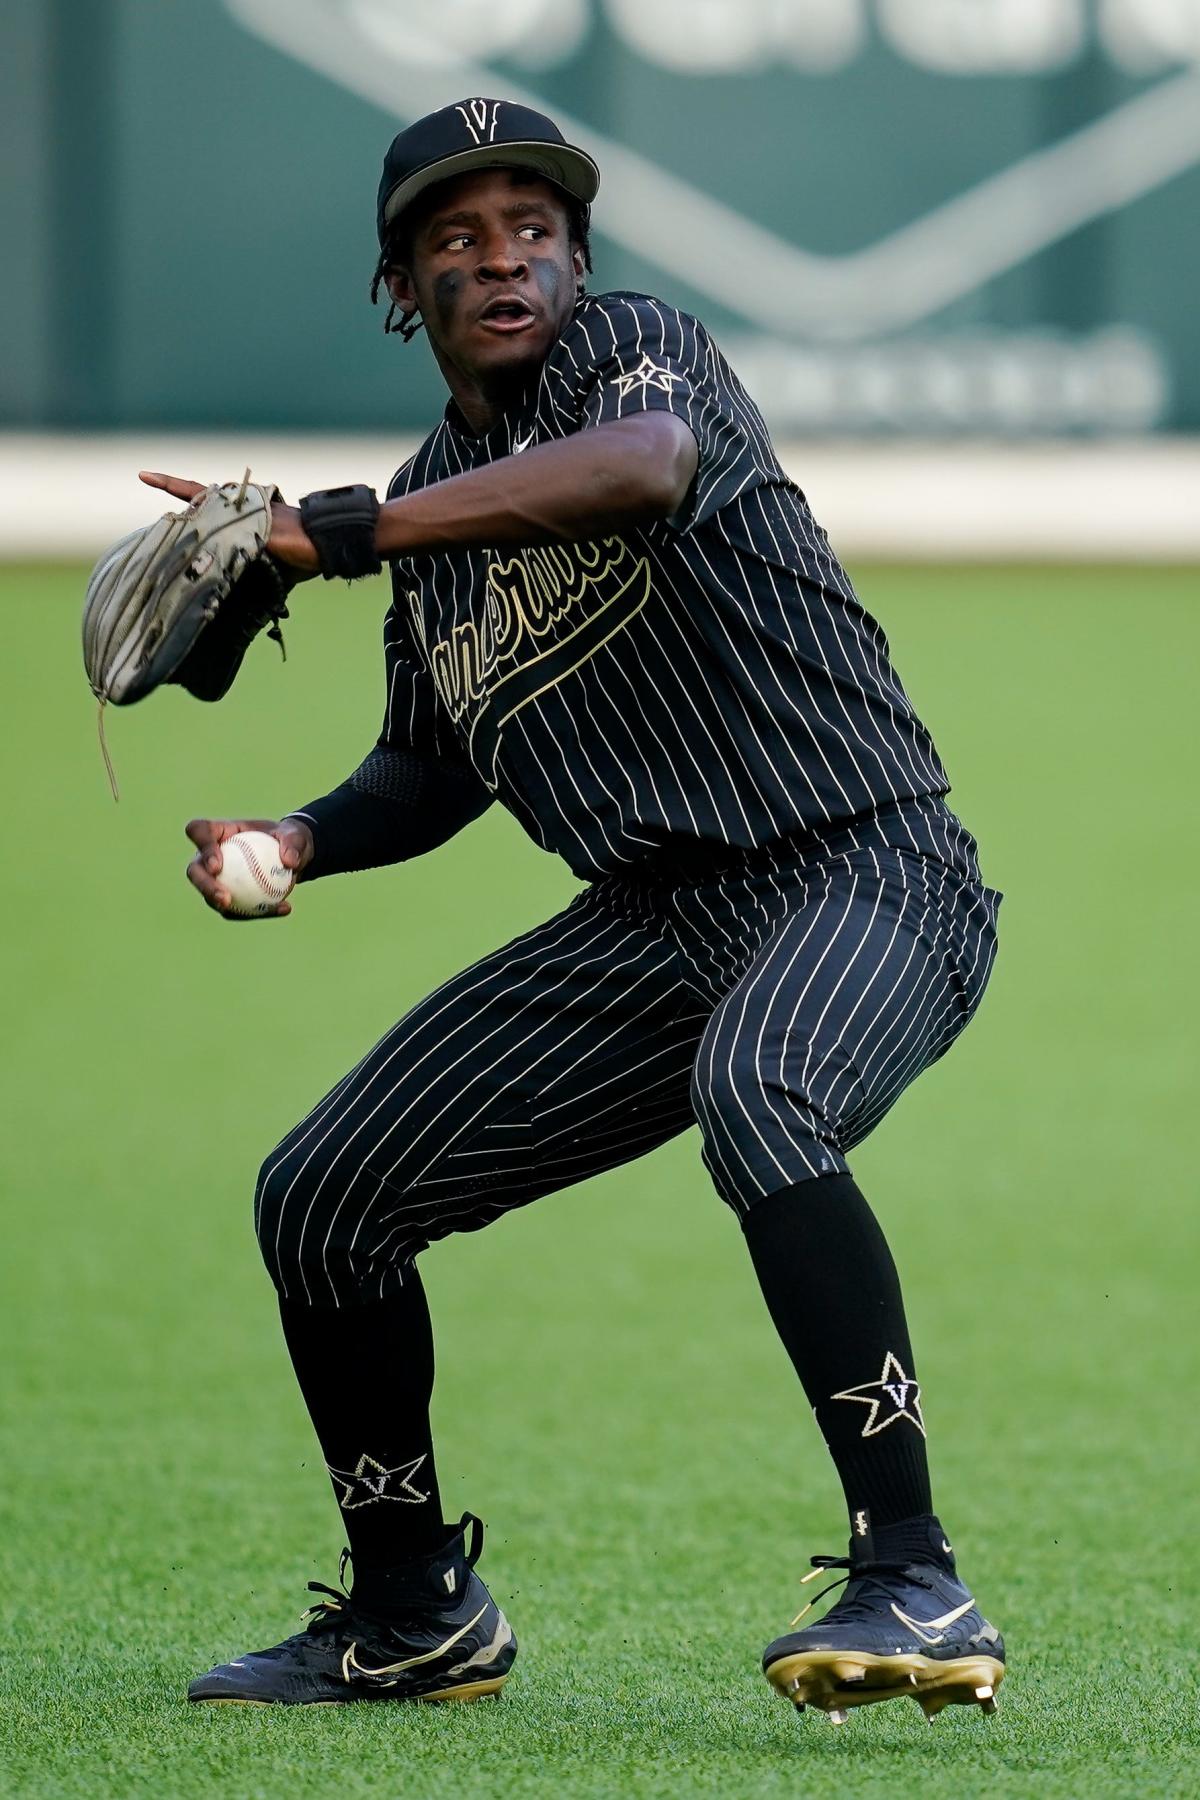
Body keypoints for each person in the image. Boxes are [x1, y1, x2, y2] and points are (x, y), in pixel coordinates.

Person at [141, 98, 1005, 1723]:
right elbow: (429, 768)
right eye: (457, 239)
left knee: (760, 1093)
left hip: (863, 866)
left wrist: (332, 533)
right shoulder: (431, 520)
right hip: (651, 925)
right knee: (322, 1195)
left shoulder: (641, 361)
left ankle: (917, 1573)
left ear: (579, 256)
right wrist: (302, 838)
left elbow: (641, 473)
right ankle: (412, 1615)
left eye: (533, 226)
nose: (503, 257)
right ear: (403, 289)